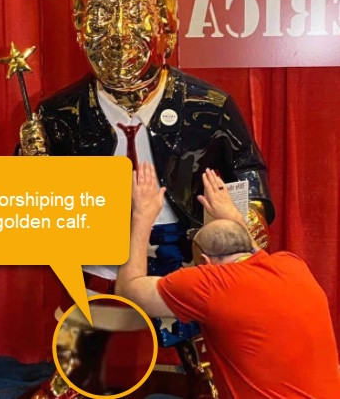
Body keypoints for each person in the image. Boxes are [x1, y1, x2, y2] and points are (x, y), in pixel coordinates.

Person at [19, 0, 275, 398]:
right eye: (100, 17)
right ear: (79, 28)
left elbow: (245, 168)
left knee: (205, 348)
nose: (117, 35)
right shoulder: (59, 113)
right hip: (104, 248)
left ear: (166, 28)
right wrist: (29, 165)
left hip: (185, 249)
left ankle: (207, 370)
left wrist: (247, 215)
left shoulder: (207, 106)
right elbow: (30, 201)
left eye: (135, 17)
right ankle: (77, 374)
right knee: (91, 325)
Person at [116, 162, 340, 399]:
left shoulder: (209, 284)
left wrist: (141, 216)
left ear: (204, 261)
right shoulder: (292, 265)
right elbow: (253, 251)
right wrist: (233, 215)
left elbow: (127, 291)